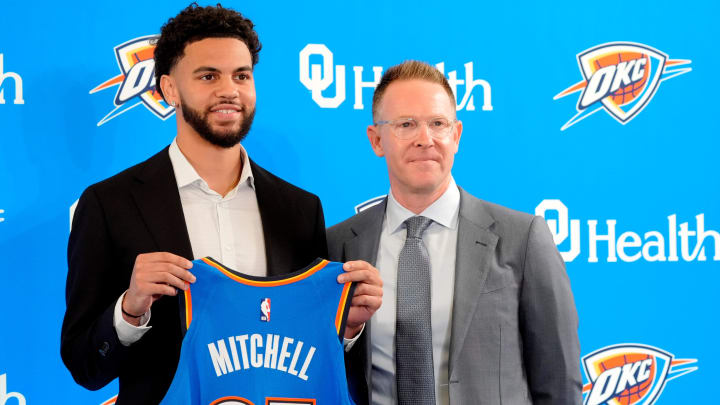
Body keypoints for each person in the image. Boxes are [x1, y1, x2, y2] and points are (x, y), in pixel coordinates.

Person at [61, 4, 380, 404]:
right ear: (169, 89)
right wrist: (130, 308)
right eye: (208, 75)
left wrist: (345, 328)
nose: (229, 90)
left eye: (241, 76)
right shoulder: (109, 203)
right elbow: (83, 365)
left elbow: (310, 352)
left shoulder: (300, 209)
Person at [328, 61, 582, 405]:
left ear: (456, 135)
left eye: (437, 124)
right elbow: (316, 375)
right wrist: (348, 333)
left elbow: (559, 382)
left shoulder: (523, 239)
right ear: (376, 140)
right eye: (406, 124)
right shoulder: (339, 245)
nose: (425, 139)